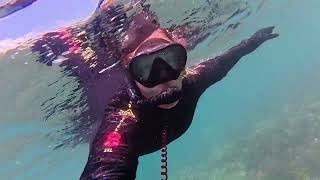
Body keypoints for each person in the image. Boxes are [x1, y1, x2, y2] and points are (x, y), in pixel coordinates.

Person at [4, 0, 279, 179]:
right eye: (147, 68)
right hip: (93, 78)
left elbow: (223, 61)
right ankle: (61, 38)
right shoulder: (123, 118)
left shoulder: (192, 81)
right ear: (131, 73)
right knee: (77, 60)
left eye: (171, 61)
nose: (164, 78)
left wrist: (253, 41)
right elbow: (107, 164)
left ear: (183, 56)